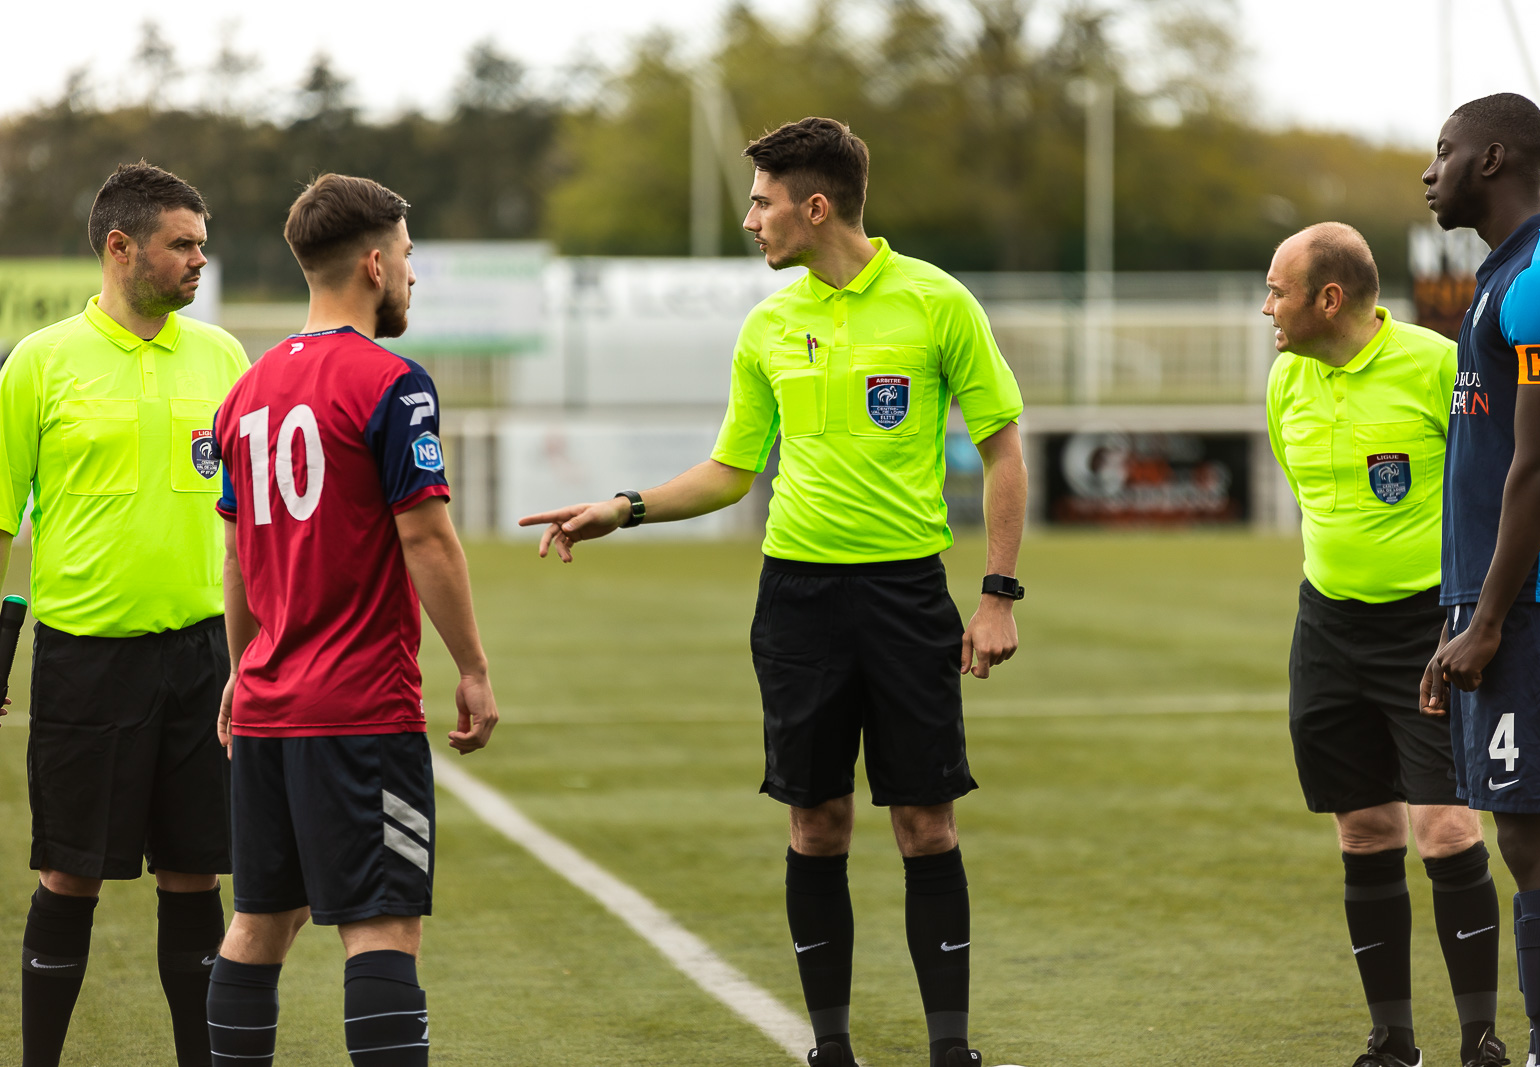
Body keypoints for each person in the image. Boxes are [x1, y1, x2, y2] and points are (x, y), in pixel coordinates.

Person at [520, 116, 1026, 1067]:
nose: (751, 219)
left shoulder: (938, 302)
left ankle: (950, 1050)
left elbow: (1003, 450)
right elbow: (731, 470)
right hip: (797, 601)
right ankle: (830, 1048)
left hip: (907, 595)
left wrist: (997, 592)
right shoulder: (767, 326)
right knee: (816, 823)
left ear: (815, 206)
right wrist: (624, 507)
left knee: (926, 825)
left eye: (762, 202)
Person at [203, 173, 499, 1067]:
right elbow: (427, 537)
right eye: (406, 256)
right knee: (382, 925)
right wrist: (474, 667)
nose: (410, 274)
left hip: (267, 706)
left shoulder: (246, 392)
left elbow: (236, 558)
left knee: (258, 921)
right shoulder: (392, 382)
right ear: (374, 264)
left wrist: (241, 669)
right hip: (361, 710)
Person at [0, 162, 248, 1067]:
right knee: (69, 874)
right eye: (182, 244)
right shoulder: (39, 362)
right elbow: (0, 515)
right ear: (120, 246)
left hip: (205, 659)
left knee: (195, 874)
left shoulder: (225, 358)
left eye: (202, 244)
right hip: (85, 661)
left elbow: (254, 522)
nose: (199, 260)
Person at [1264, 222, 1507, 1067]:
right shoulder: (1285, 380)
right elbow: (1309, 498)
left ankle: (1479, 1038)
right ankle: (1393, 1041)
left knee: (1445, 827)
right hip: (1327, 627)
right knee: (1365, 830)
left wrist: (1470, 616)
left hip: (1429, 629)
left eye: (1277, 291)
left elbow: (1498, 490)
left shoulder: (1439, 366)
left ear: (1328, 299)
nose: (1267, 308)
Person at [1420, 93, 1540, 1067]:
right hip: (1497, 598)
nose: (1429, 171)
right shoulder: (1500, 277)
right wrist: (1460, 611)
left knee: (1533, 828)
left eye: (1443, 151)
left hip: (1535, 598)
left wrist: (1488, 618)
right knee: (1521, 825)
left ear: (1491, 159)